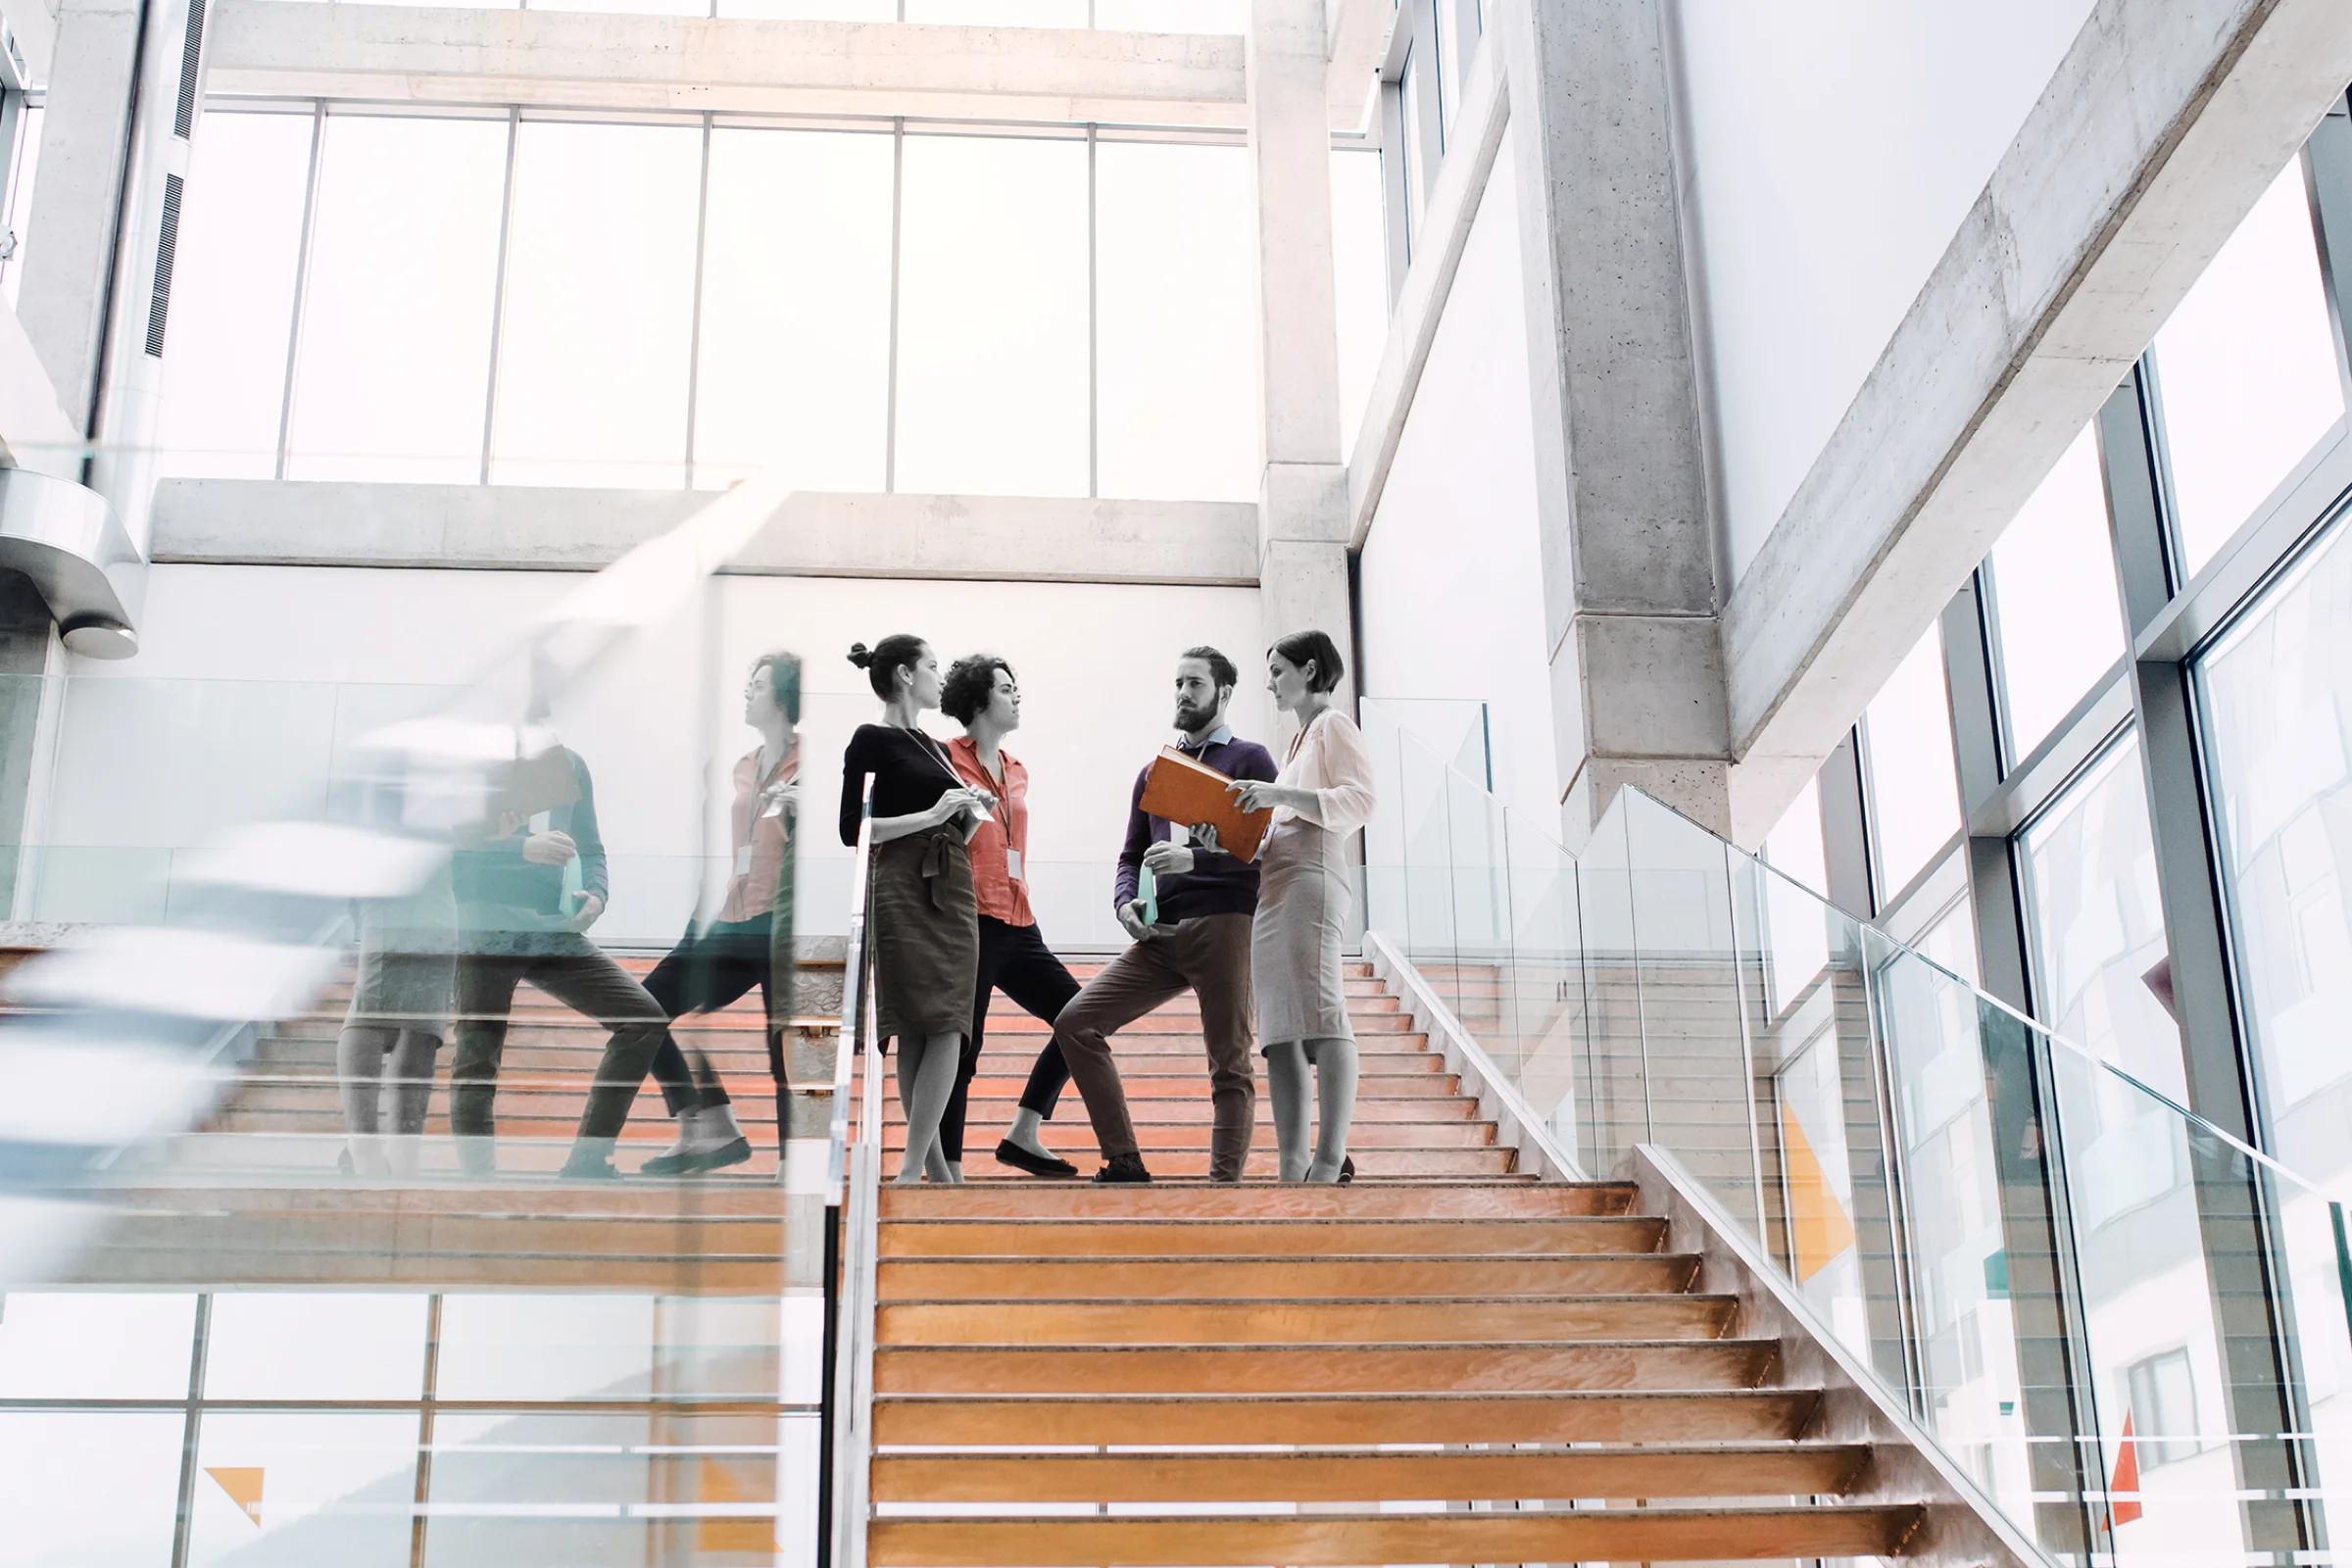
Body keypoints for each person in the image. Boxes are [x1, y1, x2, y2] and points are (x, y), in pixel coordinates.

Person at [1051, 647, 1279, 1185]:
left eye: (1194, 684)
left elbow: (1264, 846)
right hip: (1159, 931)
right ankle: (1124, 1159)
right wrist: (1124, 902)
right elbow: (1130, 855)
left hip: (1224, 923)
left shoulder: (1251, 760)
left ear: (1223, 693)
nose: (1182, 693)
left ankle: (1223, 1188)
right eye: (1178, 682)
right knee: (1076, 1023)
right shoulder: (1154, 772)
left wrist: (1195, 857)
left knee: (1229, 1063)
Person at [449, 739, 675, 1181]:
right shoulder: (483, 762)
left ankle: (588, 1161)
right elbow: (450, 846)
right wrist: (520, 847)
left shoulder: (571, 765)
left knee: (643, 1019)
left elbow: (591, 848)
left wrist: (598, 896)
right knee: (477, 1059)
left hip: (553, 928)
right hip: (485, 928)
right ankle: (478, 1188)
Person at [632, 651, 803, 1178]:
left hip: (780, 923)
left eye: (757, 685)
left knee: (785, 1046)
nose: (747, 693)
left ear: (782, 697)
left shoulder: (814, 761)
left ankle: (792, 1162)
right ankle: (710, 1127)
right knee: (641, 1008)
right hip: (729, 919)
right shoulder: (744, 765)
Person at [842, 635, 993, 1186]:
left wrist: (972, 814)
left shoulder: (932, 744)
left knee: (950, 1023)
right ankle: (916, 1170)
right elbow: (852, 831)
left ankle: (927, 1172)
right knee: (916, 1025)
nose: (938, 675)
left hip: (952, 883)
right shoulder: (870, 738)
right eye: (931, 665)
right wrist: (934, 813)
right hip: (902, 882)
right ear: (906, 675)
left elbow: (955, 827)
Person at [1227, 630, 1376, 1184]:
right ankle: (1292, 1162)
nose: (1270, 682)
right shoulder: (1297, 743)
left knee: (1323, 1010)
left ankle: (1330, 1157)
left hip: (1313, 873)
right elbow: (1275, 829)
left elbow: (1361, 801)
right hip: (1277, 881)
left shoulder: (1333, 725)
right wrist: (1227, 838)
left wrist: (1277, 796)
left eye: (1278, 670)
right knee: (1280, 1029)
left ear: (1310, 671)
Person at [940, 653, 1083, 1180]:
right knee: (961, 1046)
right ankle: (947, 1168)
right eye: (1006, 688)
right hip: (969, 918)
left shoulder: (1018, 770)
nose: (1016, 695)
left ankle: (1024, 1132)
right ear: (979, 701)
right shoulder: (943, 758)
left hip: (1020, 919)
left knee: (1082, 1017)